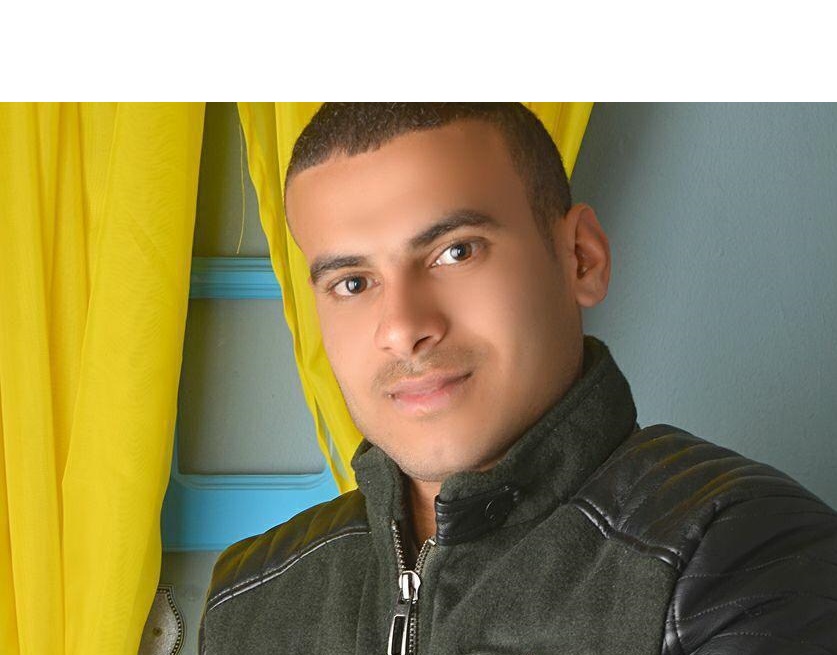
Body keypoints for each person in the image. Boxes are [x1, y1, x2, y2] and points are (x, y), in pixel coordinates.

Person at [199, 103, 837, 654]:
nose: (403, 328)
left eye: (456, 251)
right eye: (353, 282)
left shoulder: (743, 556)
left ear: (581, 257)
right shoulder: (249, 599)